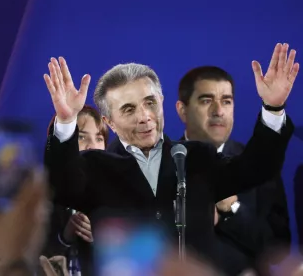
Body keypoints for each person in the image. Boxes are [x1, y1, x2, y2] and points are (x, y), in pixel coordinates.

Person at [43, 43, 297, 274]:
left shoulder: (196, 157)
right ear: (109, 122)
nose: (145, 116)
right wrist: (66, 121)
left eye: (150, 102)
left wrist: (273, 109)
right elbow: (60, 186)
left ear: (162, 102)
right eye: (129, 109)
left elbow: (256, 169)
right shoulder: (95, 167)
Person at [175, 66, 291, 275]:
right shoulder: (161, 164)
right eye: (206, 100)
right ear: (182, 110)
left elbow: (277, 249)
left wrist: (233, 209)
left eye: (226, 101)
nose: (218, 111)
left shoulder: (261, 165)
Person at [45, 105, 109, 275]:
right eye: (82, 137)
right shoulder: (43, 200)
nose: (92, 146)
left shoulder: (116, 198)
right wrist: (65, 237)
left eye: (99, 138)